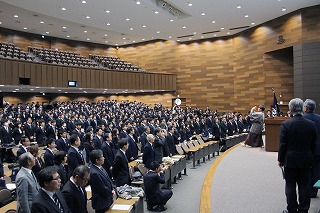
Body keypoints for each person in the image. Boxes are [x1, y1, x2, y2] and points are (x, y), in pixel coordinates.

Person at [278, 98, 317, 213]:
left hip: (290, 161)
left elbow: (282, 144)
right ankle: (303, 210)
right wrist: (312, 157)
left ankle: (292, 209)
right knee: (304, 186)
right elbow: (313, 144)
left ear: (290, 109)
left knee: (290, 186)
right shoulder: (311, 124)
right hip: (306, 160)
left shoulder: (286, 124)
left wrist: (280, 159)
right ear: (302, 108)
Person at [303, 99, 320, 198]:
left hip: (306, 150)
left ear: (306, 108)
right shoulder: (319, 118)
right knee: (316, 171)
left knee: (306, 171)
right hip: (318, 149)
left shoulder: (302, 118)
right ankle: (314, 191)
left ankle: (307, 190)